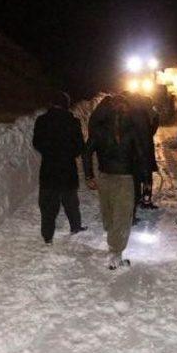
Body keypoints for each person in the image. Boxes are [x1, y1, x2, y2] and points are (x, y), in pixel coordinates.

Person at [83, 95, 149, 269]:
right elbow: (142, 155)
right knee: (122, 216)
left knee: (109, 213)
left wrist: (89, 175)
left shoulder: (98, 130)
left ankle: (113, 246)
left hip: (105, 177)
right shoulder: (133, 130)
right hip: (125, 178)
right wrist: (145, 178)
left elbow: (86, 152)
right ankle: (116, 253)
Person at [33, 91, 87, 244]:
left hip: (48, 168)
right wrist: (68, 153)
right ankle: (75, 226)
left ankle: (47, 235)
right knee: (70, 201)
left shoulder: (41, 121)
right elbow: (79, 146)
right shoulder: (73, 122)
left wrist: (49, 152)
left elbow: (36, 143)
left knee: (48, 204)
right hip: (67, 168)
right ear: (66, 105)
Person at [123, 91, 160, 211]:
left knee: (135, 175)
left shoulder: (127, 113)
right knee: (147, 175)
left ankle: (136, 199)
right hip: (147, 148)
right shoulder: (149, 111)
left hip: (132, 150)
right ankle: (146, 199)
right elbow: (153, 129)